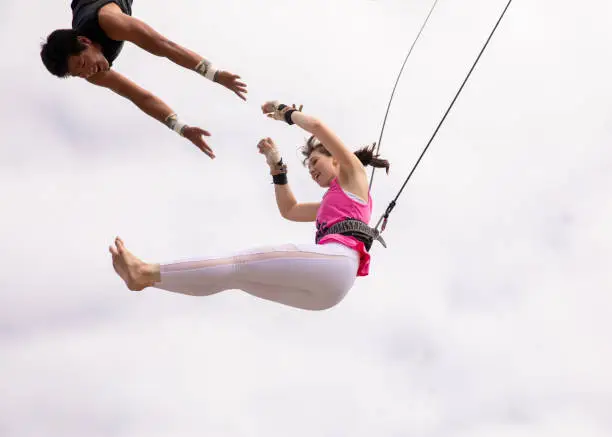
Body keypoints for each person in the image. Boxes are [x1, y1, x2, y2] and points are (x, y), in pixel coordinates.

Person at [108, 101, 390, 310]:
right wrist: (277, 168)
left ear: (336, 160)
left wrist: (286, 113)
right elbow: (289, 210)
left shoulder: (354, 175)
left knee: (237, 265)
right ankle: (147, 279)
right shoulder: (332, 203)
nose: (312, 170)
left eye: (315, 162)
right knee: (237, 277)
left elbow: (317, 127)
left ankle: (145, 272)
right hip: (329, 291)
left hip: (337, 265)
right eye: (309, 168)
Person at [40, 1, 248, 158]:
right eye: (79, 74)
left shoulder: (109, 22)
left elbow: (164, 46)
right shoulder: (94, 74)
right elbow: (139, 96)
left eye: (83, 65)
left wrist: (215, 74)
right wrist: (181, 128)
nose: (87, 73)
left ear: (85, 41)